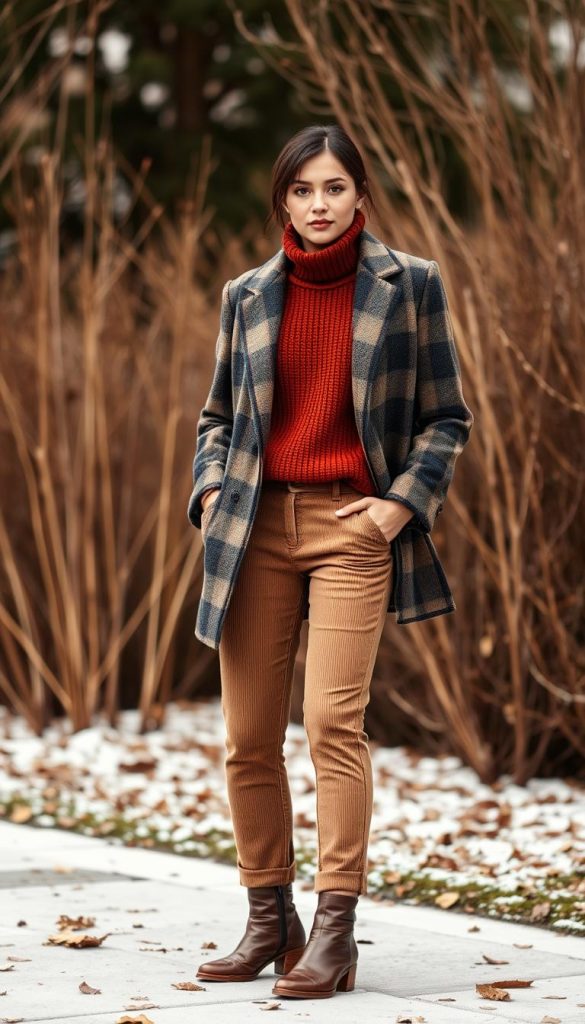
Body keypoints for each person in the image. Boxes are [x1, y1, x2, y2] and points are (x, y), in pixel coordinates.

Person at [188, 123, 474, 999]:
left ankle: (336, 932)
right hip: (255, 529)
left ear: (360, 195)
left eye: (334, 188)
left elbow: (445, 418)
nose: (319, 205)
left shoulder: (409, 285)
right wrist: (207, 495)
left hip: (355, 530)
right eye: (303, 190)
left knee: (331, 727)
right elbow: (215, 420)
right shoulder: (247, 294)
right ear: (283, 198)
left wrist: (397, 506)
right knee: (246, 739)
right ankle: (269, 921)